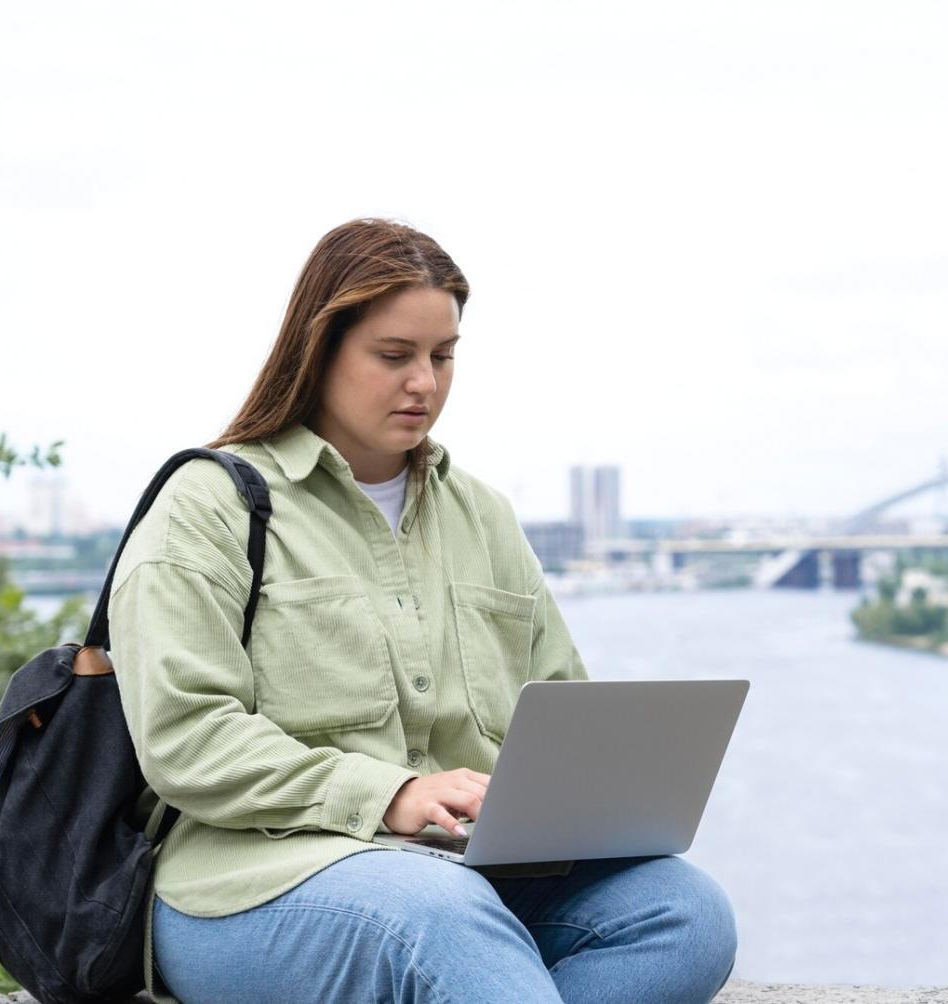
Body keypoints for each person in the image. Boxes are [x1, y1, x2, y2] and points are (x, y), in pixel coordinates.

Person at [108, 218, 738, 1003]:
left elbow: (558, 709)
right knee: (442, 922)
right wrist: (388, 794)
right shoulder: (206, 507)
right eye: (393, 355)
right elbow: (186, 738)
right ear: (319, 348)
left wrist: (586, 798)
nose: (424, 384)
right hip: (254, 880)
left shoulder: (484, 516)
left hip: (463, 870)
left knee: (685, 913)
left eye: (442, 356)